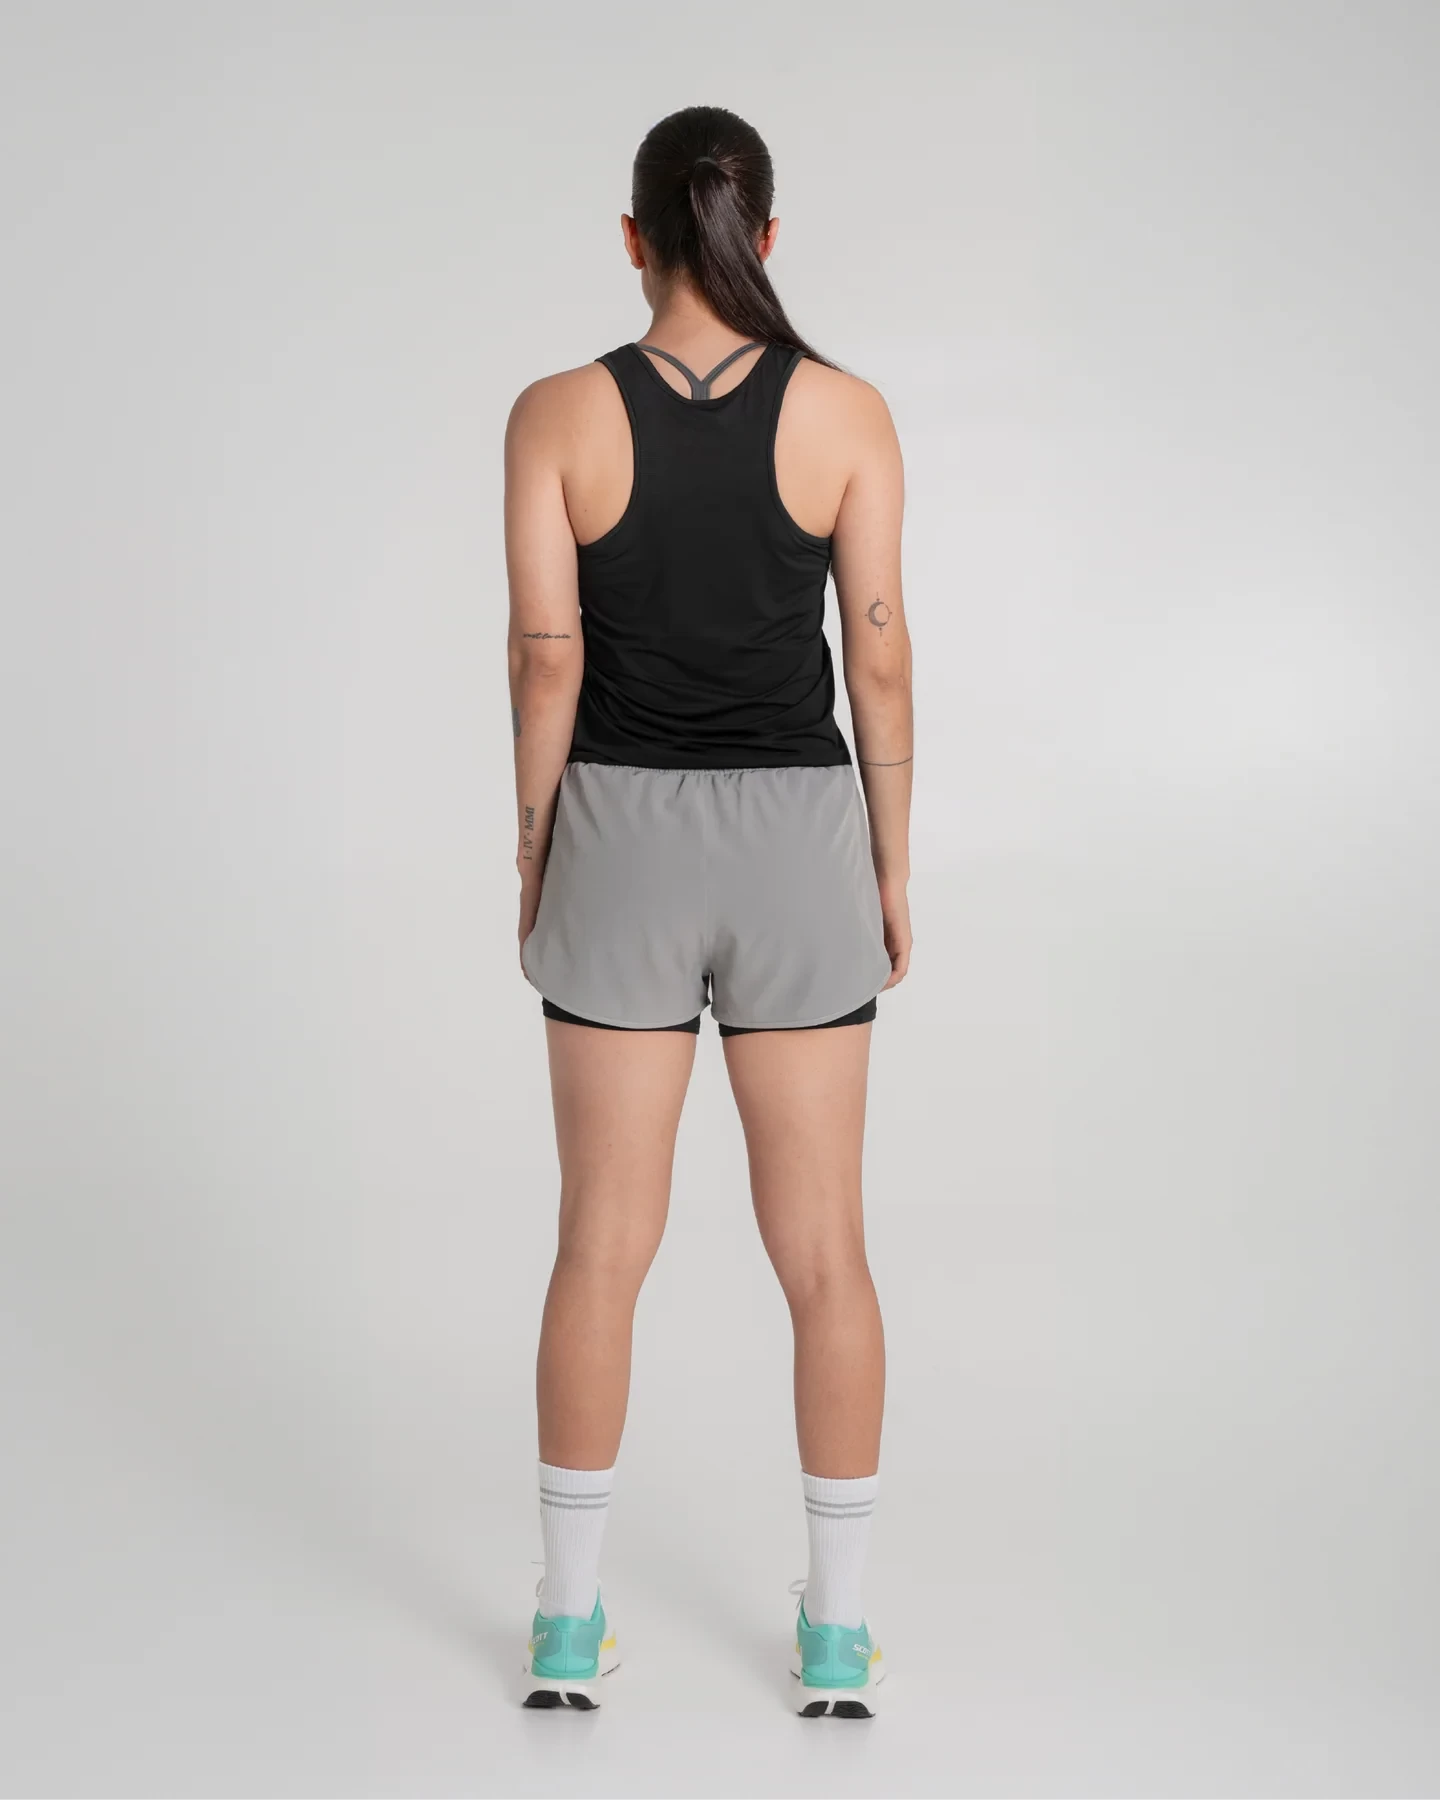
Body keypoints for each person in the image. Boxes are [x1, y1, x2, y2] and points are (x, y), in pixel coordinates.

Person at [506, 104, 912, 1717]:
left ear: (633, 237)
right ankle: (837, 1637)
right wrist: (888, 857)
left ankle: (566, 1623)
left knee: (599, 1245)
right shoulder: (847, 411)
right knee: (826, 1254)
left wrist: (536, 843)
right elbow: (878, 654)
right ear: (767, 236)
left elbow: (546, 659)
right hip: (803, 838)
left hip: (618, 831)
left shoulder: (555, 413)